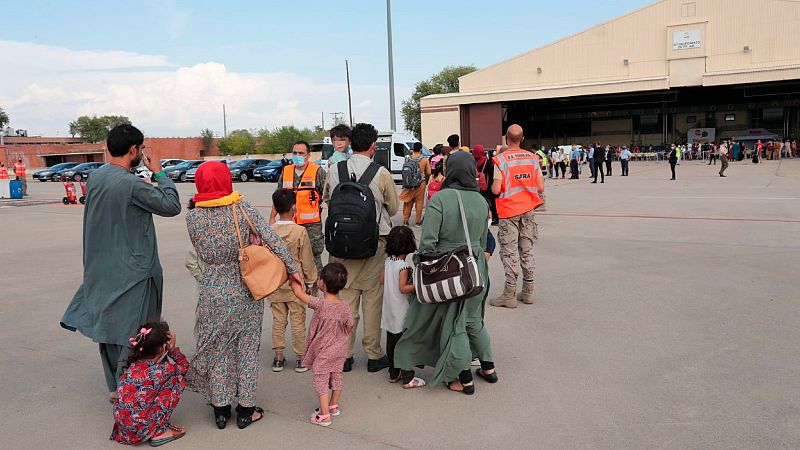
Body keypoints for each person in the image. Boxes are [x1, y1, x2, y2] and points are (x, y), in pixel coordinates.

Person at [60, 124, 181, 403]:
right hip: (133, 273)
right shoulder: (131, 184)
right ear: (133, 150)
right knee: (137, 334)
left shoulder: (97, 177)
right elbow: (171, 205)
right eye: (141, 149)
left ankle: (116, 389)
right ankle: (134, 395)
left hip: (100, 268)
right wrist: (160, 173)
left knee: (108, 330)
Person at [185, 161, 301, 430]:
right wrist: (293, 270)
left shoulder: (193, 217)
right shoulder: (242, 209)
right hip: (246, 288)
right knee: (247, 349)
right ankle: (247, 411)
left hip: (212, 289)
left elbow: (200, 252)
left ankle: (221, 409)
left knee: (218, 350)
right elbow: (272, 238)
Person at [394, 151, 496, 394]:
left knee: (454, 325)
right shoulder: (482, 201)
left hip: (450, 270)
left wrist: (420, 265)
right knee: (472, 320)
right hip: (476, 269)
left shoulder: (441, 199)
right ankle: (489, 368)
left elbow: (428, 241)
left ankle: (463, 380)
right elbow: (482, 241)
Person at [323, 123, 399, 373]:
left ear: (351, 143)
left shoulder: (335, 169)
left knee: (346, 301)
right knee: (372, 301)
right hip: (373, 246)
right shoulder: (381, 172)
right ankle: (374, 355)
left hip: (341, 246)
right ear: (373, 145)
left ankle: (345, 354)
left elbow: (327, 199)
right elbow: (394, 208)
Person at [289, 263, 353, 427]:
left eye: (319, 278)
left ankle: (324, 415)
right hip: (340, 349)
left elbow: (298, 293)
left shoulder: (321, 304)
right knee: (337, 375)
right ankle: (332, 406)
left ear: (322, 283)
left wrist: (293, 277)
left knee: (320, 378)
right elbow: (349, 325)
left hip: (325, 351)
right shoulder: (345, 306)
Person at [489, 124, 543, 309]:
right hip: (528, 211)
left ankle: (509, 295)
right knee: (526, 249)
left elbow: (496, 189)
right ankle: (528, 292)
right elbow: (540, 187)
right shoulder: (533, 158)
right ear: (523, 138)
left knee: (510, 251)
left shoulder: (501, 160)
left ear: (506, 138)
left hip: (509, 211)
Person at [111, 322, 188, 446]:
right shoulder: (162, 370)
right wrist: (172, 350)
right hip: (139, 430)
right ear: (161, 348)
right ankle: (159, 433)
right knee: (177, 379)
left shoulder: (133, 365)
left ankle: (150, 426)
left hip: (124, 429)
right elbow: (184, 367)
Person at [269, 188, 318, 373]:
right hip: (295, 284)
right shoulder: (299, 231)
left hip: (275, 284)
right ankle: (300, 358)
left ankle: (279, 357)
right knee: (298, 321)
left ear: (275, 207)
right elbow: (306, 259)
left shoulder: (270, 231)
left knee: (278, 321)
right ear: (294, 208)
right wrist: (312, 281)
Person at [270, 140, 326, 273]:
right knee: (290, 257)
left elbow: (328, 196)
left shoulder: (318, 172)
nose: (297, 155)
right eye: (295, 152)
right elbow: (278, 196)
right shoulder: (286, 171)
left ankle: (313, 290)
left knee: (313, 258)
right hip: (289, 224)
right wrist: (272, 218)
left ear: (308, 155)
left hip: (311, 227)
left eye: (301, 153)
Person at [381, 226, 426, 389]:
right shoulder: (403, 267)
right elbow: (403, 288)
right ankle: (407, 376)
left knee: (391, 343)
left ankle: (393, 373)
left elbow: (382, 280)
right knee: (403, 344)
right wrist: (416, 285)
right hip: (401, 311)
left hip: (389, 310)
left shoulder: (387, 262)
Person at [399, 142, 431, 227]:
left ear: (413, 149)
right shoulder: (424, 160)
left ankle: (405, 221)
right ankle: (417, 222)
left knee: (408, 201)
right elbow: (429, 172)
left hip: (409, 183)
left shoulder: (408, 158)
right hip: (421, 183)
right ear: (421, 149)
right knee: (419, 202)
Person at [474, 145, 498, 225]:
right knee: (490, 201)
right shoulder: (486, 161)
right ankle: (493, 217)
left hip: (477, 184)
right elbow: (491, 173)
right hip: (486, 184)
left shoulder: (474, 161)